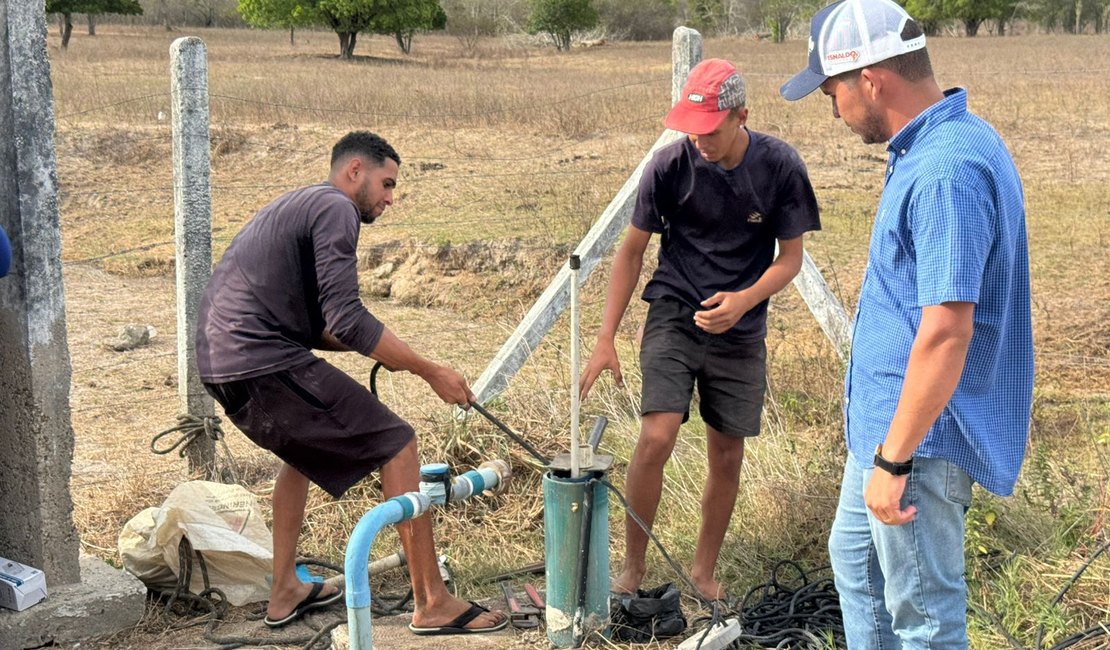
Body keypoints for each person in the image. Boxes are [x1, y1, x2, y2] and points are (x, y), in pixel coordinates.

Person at [780, 0, 1033, 646]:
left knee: (924, 618)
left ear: (871, 80)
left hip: (917, 441)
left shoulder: (946, 170)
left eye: (831, 89)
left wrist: (894, 461)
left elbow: (948, 330)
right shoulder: (940, 143)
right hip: (889, 431)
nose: (831, 107)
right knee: (857, 566)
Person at [195, 131, 507, 635]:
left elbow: (324, 327)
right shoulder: (335, 208)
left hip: (226, 362)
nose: (390, 198)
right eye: (386, 184)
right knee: (398, 444)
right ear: (355, 170)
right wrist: (429, 370)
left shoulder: (303, 205)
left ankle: (284, 590)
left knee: (299, 457)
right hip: (257, 359)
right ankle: (432, 601)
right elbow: (348, 320)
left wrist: (395, 351)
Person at [579, 58, 821, 603]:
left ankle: (703, 572)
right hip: (674, 309)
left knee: (726, 453)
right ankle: (633, 568)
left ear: (742, 116)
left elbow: (790, 260)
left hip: (740, 325)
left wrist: (743, 301)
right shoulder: (668, 166)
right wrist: (605, 338)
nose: (701, 140)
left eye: (711, 129)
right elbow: (633, 251)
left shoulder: (780, 166)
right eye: (693, 128)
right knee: (656, 435)